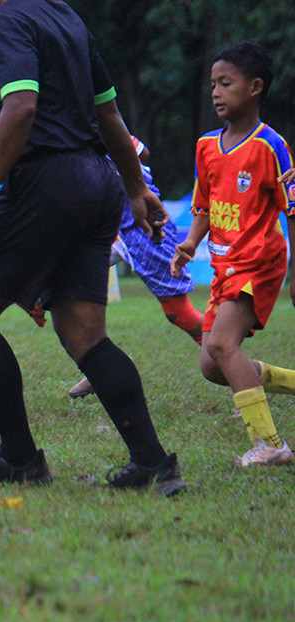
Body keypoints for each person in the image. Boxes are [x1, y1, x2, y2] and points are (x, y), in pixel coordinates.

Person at [0, 0, 185, 495]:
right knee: (84, 334)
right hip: (97, 181)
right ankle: (152, 462)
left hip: (46, 181)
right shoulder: (68, 18)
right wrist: (135, 187)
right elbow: (108, 113)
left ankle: (19, 458)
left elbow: (21, 106)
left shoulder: (10, 19)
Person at [171, 40, 295, 467]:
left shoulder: (271, 146)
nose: (216, 93)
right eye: (213, 84)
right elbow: (204, 204)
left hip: (259, 262)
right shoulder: (207, 145)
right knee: (212, 364)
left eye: (226, 83)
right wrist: (191, 242)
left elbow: (292, 210)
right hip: (225, 266)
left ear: (255, 87)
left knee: (223, 345)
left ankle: (271, 445)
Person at [67, 136, 205, 398]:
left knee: (178, 312)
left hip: (141, 224)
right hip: (102, 226)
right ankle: (104, 366)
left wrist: (126, 177)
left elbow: (142, 152)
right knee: (64, 296)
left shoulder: (94, 120)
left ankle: (234, 361)